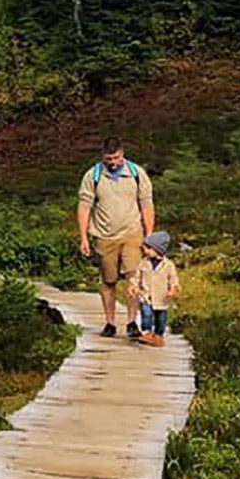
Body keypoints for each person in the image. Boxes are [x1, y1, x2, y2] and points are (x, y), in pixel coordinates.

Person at [77, 136, 155, 338]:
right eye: (109, 159)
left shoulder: (137, 174)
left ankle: (131, 322)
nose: (112, 163)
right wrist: (84, 237)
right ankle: (110, 323)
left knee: (133, 276)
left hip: (132, 232)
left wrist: (149, 236)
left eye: (116, 158)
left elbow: (146, 205)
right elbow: (84, 207)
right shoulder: (93, 176)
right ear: (102, 157)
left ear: (123, 154)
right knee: (108, 280)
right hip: (104, 235)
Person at [129, 231, 180, 347]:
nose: (145, 251)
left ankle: (158, 336)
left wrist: (173, 289)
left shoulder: (168, 265)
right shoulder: (143, 263)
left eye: (148, 248)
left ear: (158, 249)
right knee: (146, 313)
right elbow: (137, 276)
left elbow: (173, 279)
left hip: (162, 298)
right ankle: (147, 333)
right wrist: (133, 286)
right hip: (146, 296)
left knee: (161, 318)